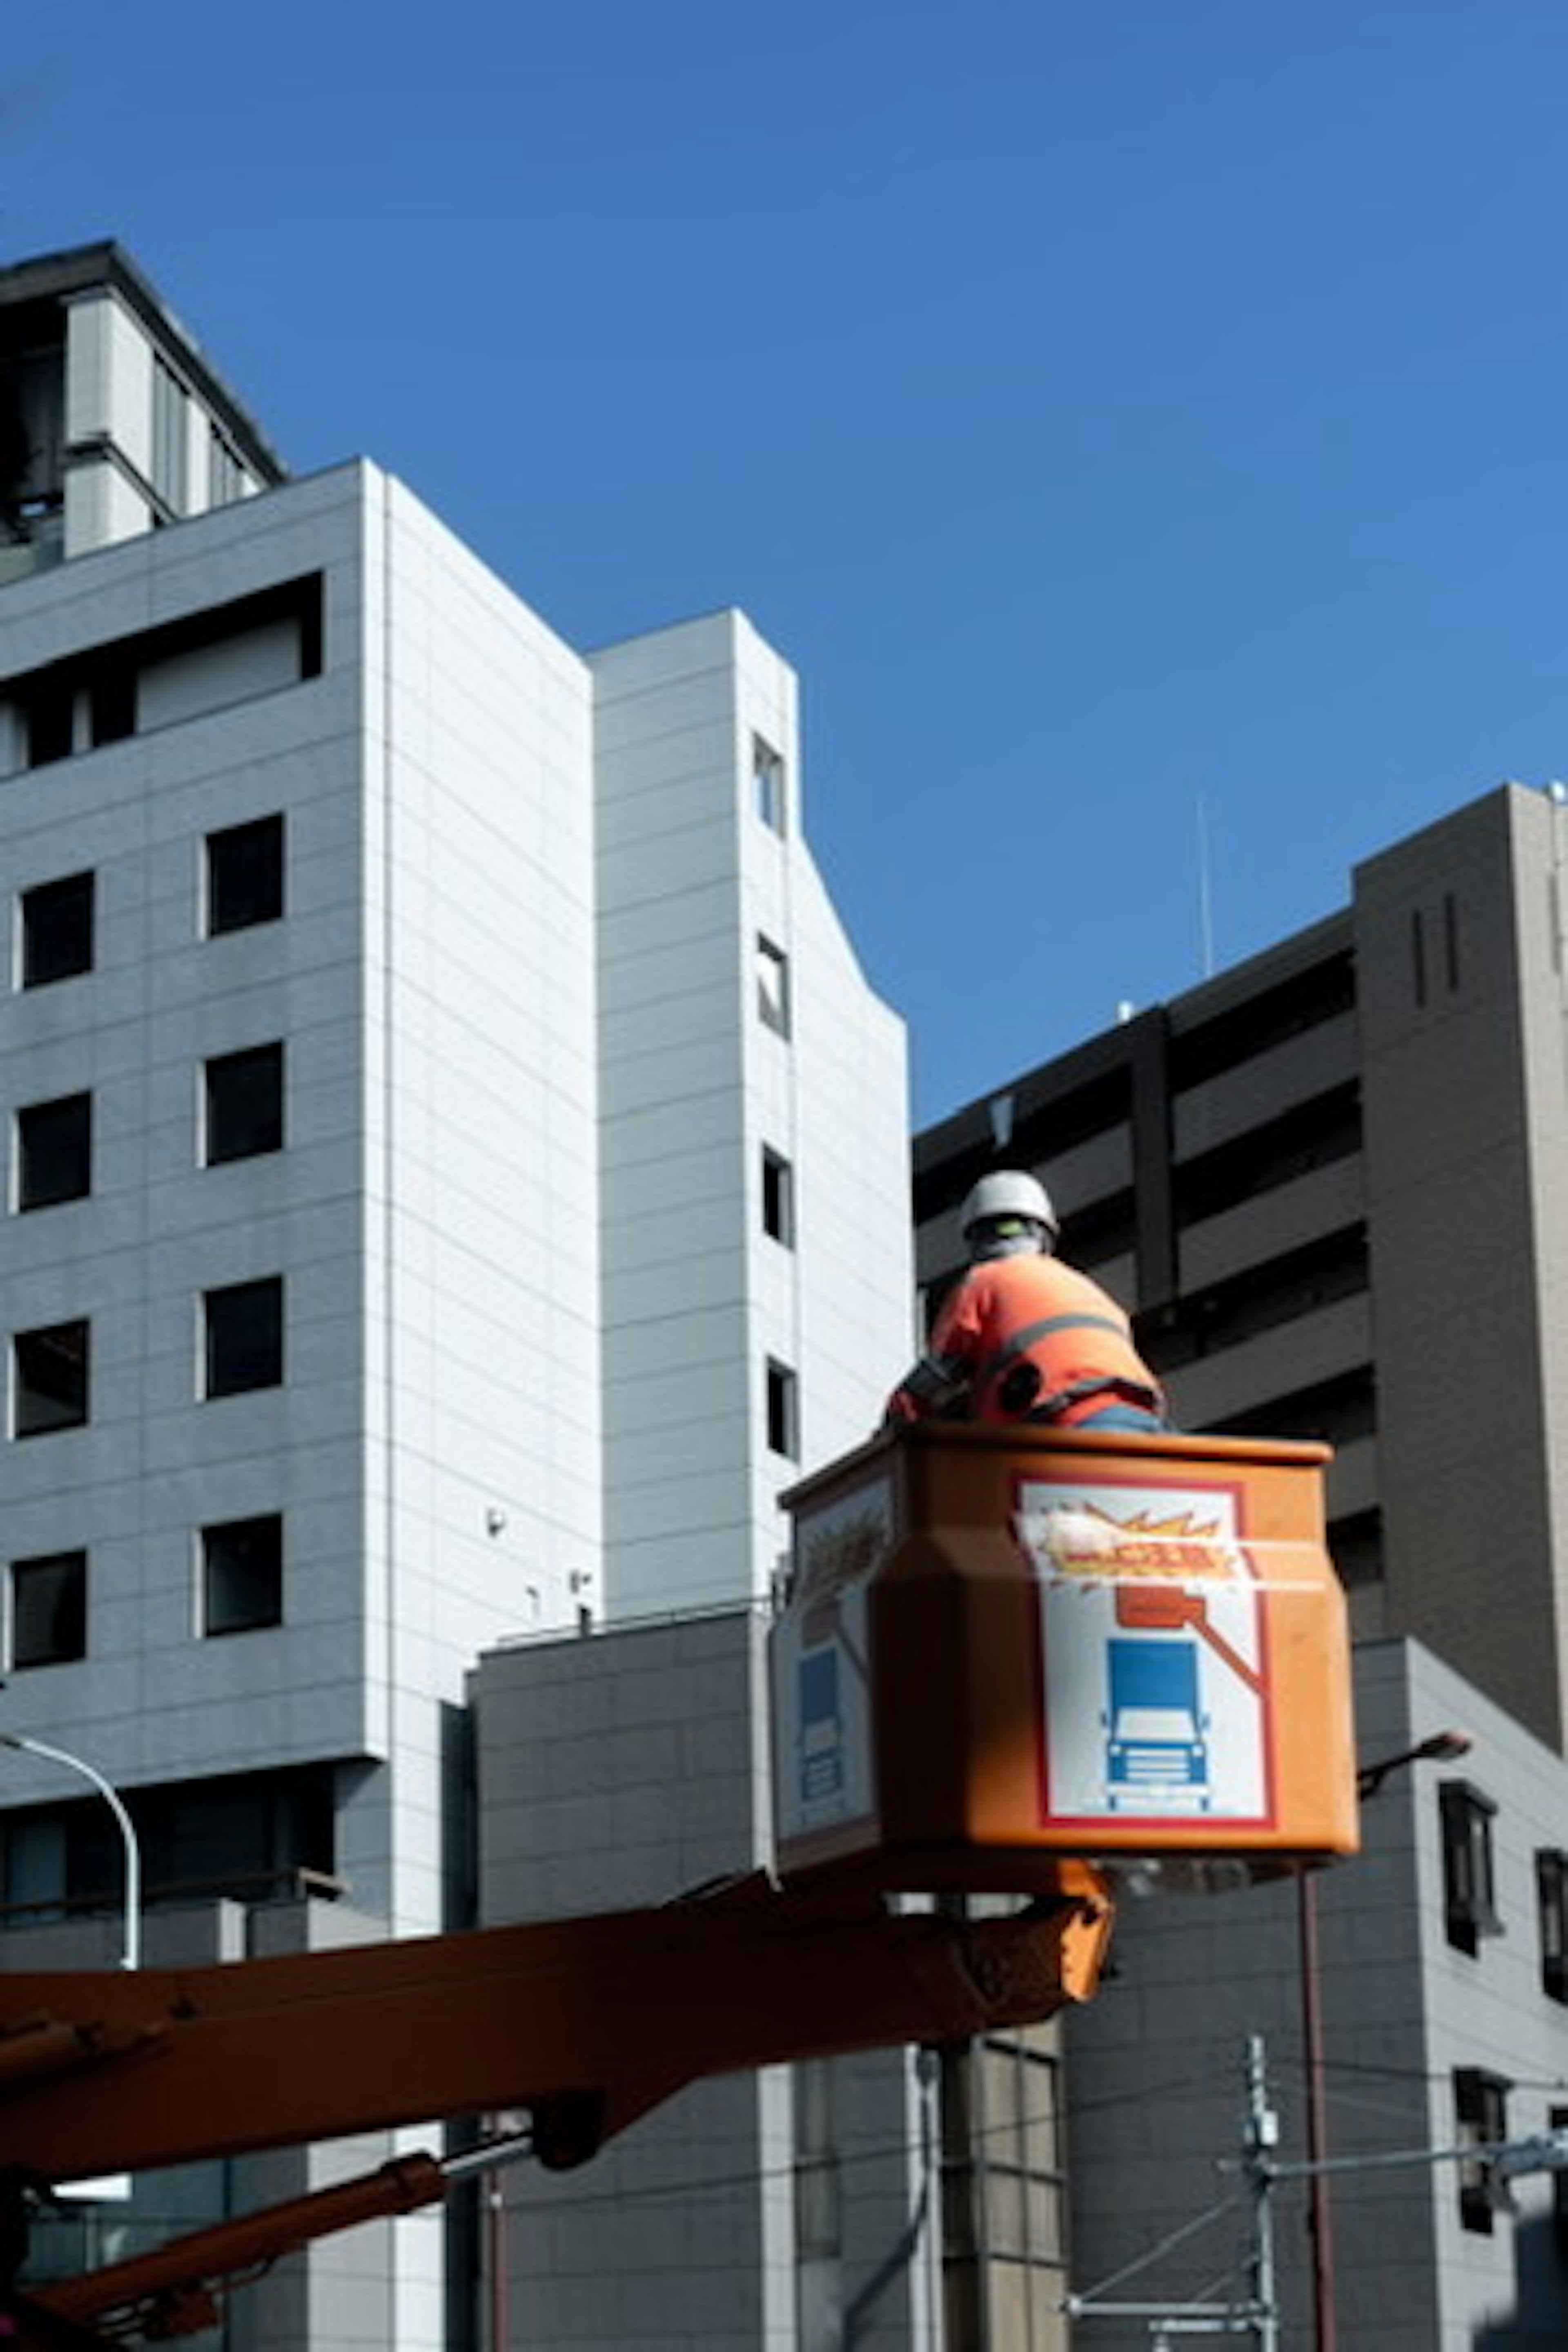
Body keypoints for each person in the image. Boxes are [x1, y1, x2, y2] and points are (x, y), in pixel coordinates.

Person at [886, 1170, 1168, 1434]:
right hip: (1145, 1420)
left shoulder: (982, 1282)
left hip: (1063, 1423)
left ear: (974, 1238)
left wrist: (892, 1424)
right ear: (1045, 1235)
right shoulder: (1084, 1286)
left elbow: (935, 1376)